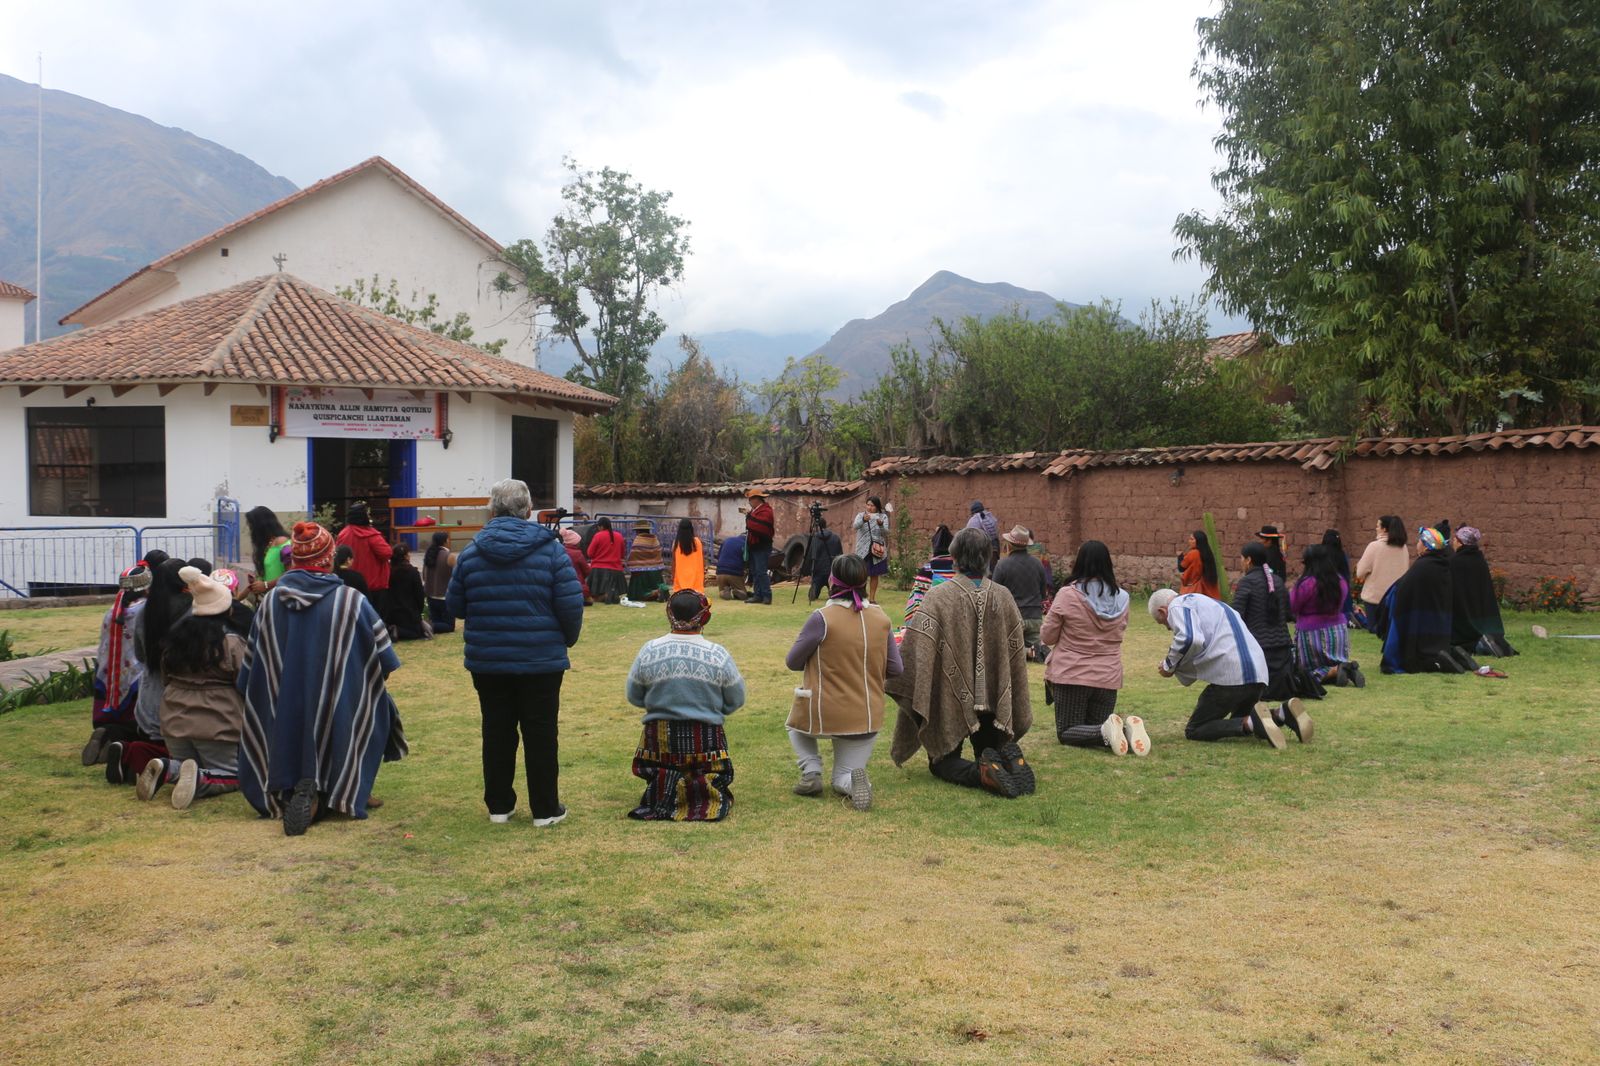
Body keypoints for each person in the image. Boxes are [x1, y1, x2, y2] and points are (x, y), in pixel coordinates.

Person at [238, 521, 407, 834]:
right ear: (329, 559)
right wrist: (356, 682)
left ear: (296, 561)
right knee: (378, 707)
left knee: (281, 705)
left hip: (282, 705)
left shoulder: (269, 603)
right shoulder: (351, 601)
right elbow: (383, 660)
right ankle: (348, 787)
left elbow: (252, 669)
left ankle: (299, 788)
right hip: (338, 705)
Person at [446, 478, 584, 826]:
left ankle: (499, 806)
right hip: (541, 659)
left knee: (496, 731)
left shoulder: (472, 552)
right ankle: (545, 808)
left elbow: (455, 605)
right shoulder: (551, 551)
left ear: (492, 510)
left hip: (489, 659)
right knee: (541, 733)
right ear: (527, 511)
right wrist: (565, 640)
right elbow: (570, 605)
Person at [887, 528, 1035, 798]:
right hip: (993, 701)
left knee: (941, 762)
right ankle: (1008, 761)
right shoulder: (1003, 597)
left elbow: (918, 648)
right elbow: (1014, 650)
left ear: (954, 557)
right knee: (989, 749)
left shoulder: (939, 597)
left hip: (950, 700)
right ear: (987, 557)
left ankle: (982, 773)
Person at [786, 554, 903, 810]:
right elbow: (896, 668)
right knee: (844, 775)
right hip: (867, 715)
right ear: (865, 581)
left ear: (832, 580)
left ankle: (811, 771)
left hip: (824, 712)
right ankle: (856, 783)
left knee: (794, 725)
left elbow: (793, 661)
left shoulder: (822, 618)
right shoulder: (881, 618)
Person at [623, 590, 746, 821]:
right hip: (706, 743)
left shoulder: (649, 650)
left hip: (659, 745)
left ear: (668, 614)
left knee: (662, 745)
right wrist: (714, 711)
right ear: (704, 618)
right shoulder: (717, 655)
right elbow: (736, 699)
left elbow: (634, 695)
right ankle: (702, 792)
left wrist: (659, 707)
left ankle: (664, 789)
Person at [137, 567, 246, 809]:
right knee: (233, 774)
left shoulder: (174, 641)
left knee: (186, 762)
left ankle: (169, 769)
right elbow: (246, 681)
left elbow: (166, 679)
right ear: (226, 609)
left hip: (173, 719)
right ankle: (197, 778)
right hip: (218, 723)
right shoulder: (230, 643)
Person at [1149, 588, 1312, 748]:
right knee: (1241, 719)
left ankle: (1254, 723)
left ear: (1162, 611)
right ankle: (1282, 714)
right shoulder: (1214, 604)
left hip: (1232, 676)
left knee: (1195, 729)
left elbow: (1189, 638)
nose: (1169, 628)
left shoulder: (1178, 605)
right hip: (1258, 673)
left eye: (1164, 623)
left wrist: (1168, 666)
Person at [1039, 540, 1140, 755]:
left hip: (1072, 674)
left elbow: (1047, 636)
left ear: (1080, 562)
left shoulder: (1068, 594)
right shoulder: (1123, 598)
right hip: (1108, 677)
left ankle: (1113, 730)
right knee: (1098, 731)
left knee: (1067, 731)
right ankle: (1123, 731)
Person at [84, 564, 152, 767]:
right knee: (133, 721)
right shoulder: (145, 610)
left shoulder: (111, 611)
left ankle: (105, 732)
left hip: (108, 674)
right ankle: (117, 739)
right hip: (135, 674)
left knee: (112, 713)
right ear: (147, 586)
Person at [1381, 527, 1470, 674]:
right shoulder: (1442, 564)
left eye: (1419, 541)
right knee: (1434, 649)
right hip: (1437, 620)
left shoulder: (1423, 565)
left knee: (1418, 656)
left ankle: (1439, 663)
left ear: (1426, 545)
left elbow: (1404, 588)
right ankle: (1450, 657)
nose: (1417, 544)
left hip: (1419, 619)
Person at [1233, 542, 1299, 705]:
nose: (1241, 562)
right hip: (1282, 649)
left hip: (1257, 650)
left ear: (1248, 560)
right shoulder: (1277, 581)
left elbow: (1236, 616)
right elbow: (1289, 614)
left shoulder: (1246, 583)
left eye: (1241, 558)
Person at [1291, 545, 1362, 687]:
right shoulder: (1340, 581)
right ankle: (1344, 667)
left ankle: (1336, 671)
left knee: (1306, 673)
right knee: (1333, 660)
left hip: (1311, 634)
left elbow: (1293, 605)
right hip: (1338, 632)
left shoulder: (1306, 584)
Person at [1450, 526, 1516, 659]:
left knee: (1458, 641)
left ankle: (1480, 645)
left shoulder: (1455, 562)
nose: (1452, 541)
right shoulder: (1479, 560)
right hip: (1480, 612)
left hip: (1463, 616)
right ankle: (1488, 640)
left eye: (1455, 538)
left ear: (1460, 542)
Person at [993, 526, 1051, 659]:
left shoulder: (1002, 565)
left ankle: (1025, 652)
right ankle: (1034, 651)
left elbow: (995, 594)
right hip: (1035, 617)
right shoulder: (1037, 564)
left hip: (1012, 617)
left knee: (1005, 650)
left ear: (1010, 544)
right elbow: (1043, 593)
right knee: (1036, 648)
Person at [1356, 516, 1410, 634]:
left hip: (1375, 598)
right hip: (1396, 596)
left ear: (1384, 529)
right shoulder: (1403, 548)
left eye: (1378, 525)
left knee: (1375, 629)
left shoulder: (1374, 546)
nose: (1376, 528)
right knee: (1390, 630)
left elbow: (1360, 572)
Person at [335, 502, 393, 610]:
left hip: (349, 584)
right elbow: (386, 553)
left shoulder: (343, 534)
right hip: (373, 586)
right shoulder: (371, 535)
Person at [383, 541, 429, 641]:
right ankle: (397, 631)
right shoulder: (412, 572)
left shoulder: (389, 571)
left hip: (391, 612)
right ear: (405, 556)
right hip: (409, 612)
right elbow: (419, 594)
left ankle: (392, 629)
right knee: (416, 633)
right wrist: (418, 611)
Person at [244, 506, 291, 596]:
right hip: (271, 597)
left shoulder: (282, 542)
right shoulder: (268, 545)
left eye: (252, 526)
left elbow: (291, 573)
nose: (251, 530)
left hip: (283, 597)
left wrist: (266, 585)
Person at [852, 496, 891, 605]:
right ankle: (861, 596)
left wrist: (881, 525)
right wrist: (863, 520)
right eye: (868, 504)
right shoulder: (860, 515)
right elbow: (855, 526)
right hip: (862, 550)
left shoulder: (883, 517)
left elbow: (886, 533)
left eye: (872, 505)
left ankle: (872, 598)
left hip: (877, 549)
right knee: (861, 575)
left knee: (874, 574)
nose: (869, 507)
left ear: (877, 506)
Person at [742, 488, 776, 604]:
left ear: (757, 499)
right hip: (754, 545)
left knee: (761, 571)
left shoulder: (766, 511)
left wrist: (749, 517)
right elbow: (752, 523)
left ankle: (767, 595)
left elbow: (761, 527)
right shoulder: (754, 511)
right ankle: (758, 595)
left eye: (751, 499)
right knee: (755, 572)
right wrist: (749, 516)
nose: (749, 502)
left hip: (762, 545)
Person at [585, 516, 627, 605]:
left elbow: (590, 553)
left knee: (593, 596)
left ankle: (604, 596)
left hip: (598, 570)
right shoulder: (619, 536)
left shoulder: (598, 536)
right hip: (616, 570)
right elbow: (622, 554)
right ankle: (612, 595)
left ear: (601, 527)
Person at [803, 517, 844, 603]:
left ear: (816, 527)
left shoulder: (814, 539)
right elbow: (840, 556)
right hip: (832, 572)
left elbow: (809, 556)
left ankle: (815, 588)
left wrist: (806, 571)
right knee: (836, 595)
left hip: (818, 572)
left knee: (812, 596)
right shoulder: (835, 538)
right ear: (826, 525)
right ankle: (833, 590)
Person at [423, 531, 457, 632]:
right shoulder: (449, 556)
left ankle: (428, 625)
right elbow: (457, 575)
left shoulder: (429, 555)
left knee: (436, 620)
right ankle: (424, 626)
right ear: (445, 541)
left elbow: (424, 576)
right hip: (444, 596)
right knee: (449, 626)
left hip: (430, 595)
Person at [625, 521, 667, 602]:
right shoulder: (655, 539)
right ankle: (658, 591)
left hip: (641, 572)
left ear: (638, 531)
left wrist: (630, 565)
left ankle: (652, 593)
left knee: (636, 594)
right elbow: (658, 553)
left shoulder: (638, 540)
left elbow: (633, 556)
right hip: (655, 571)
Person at [1321, 529, 1354, 621]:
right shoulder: (1342, 555)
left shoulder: (1321, 555)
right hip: (1342, 588)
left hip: (1325, 587)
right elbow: (1346, 574)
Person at [1178, 530, 1222, 600]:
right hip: (1209, 591)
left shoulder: (1193, 553)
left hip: (1195, 590)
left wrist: (1179, 557)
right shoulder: (1208, 553)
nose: (1189, 541)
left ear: (1198, 541)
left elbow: (1181, 567)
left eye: (1192, 539)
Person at [669, 518, 706, 595]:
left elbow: (673, 563)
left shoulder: (676, 543)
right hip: (696, 585)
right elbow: (702, 561)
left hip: (680, 585)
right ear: (691, 529)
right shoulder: (697, 542)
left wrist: (672, 576)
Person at [560, 528, 593, 607]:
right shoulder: (577, 554)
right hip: (578, 586)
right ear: (575, 542)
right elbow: (587, 571)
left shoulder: (560, 551)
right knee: (589, 599)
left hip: (562, 587)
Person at [714, 532, 748, 600]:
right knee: (744, 594)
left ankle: (724, 591)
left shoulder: (728, 540)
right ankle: (738, 590)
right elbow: (747, 561)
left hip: (720, 573)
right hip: (734, 573)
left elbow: (719, 556)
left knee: (722, 590)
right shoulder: (746, 544)